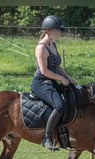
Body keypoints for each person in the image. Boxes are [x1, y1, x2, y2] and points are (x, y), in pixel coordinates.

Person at [30, 15, 75, 151]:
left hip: (52, 80)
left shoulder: (52, 45)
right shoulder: (41, 48)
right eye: (58, 30)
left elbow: (57, 66)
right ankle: (47, 139)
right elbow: (44, 71)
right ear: (48, 30)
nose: (60, 33)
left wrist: (68, 77)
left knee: (73, 94)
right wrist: (61, 79)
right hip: (41, 82)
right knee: (59, 106)